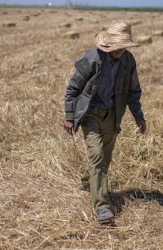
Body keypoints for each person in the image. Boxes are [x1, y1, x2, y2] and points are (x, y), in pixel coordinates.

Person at [63, 20, 147, 223]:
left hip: (112, 114)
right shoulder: (93, 58)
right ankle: (102, 206)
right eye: (116, 45)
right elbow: (74, 86)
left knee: (104, 158)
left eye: (123, 45)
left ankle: (87, 179)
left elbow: (133, 91)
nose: (120, 49)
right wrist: (69, 115)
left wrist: (139, 117)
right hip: (90, 114)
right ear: (108, 43)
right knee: (97, 155)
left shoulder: (128, 61)